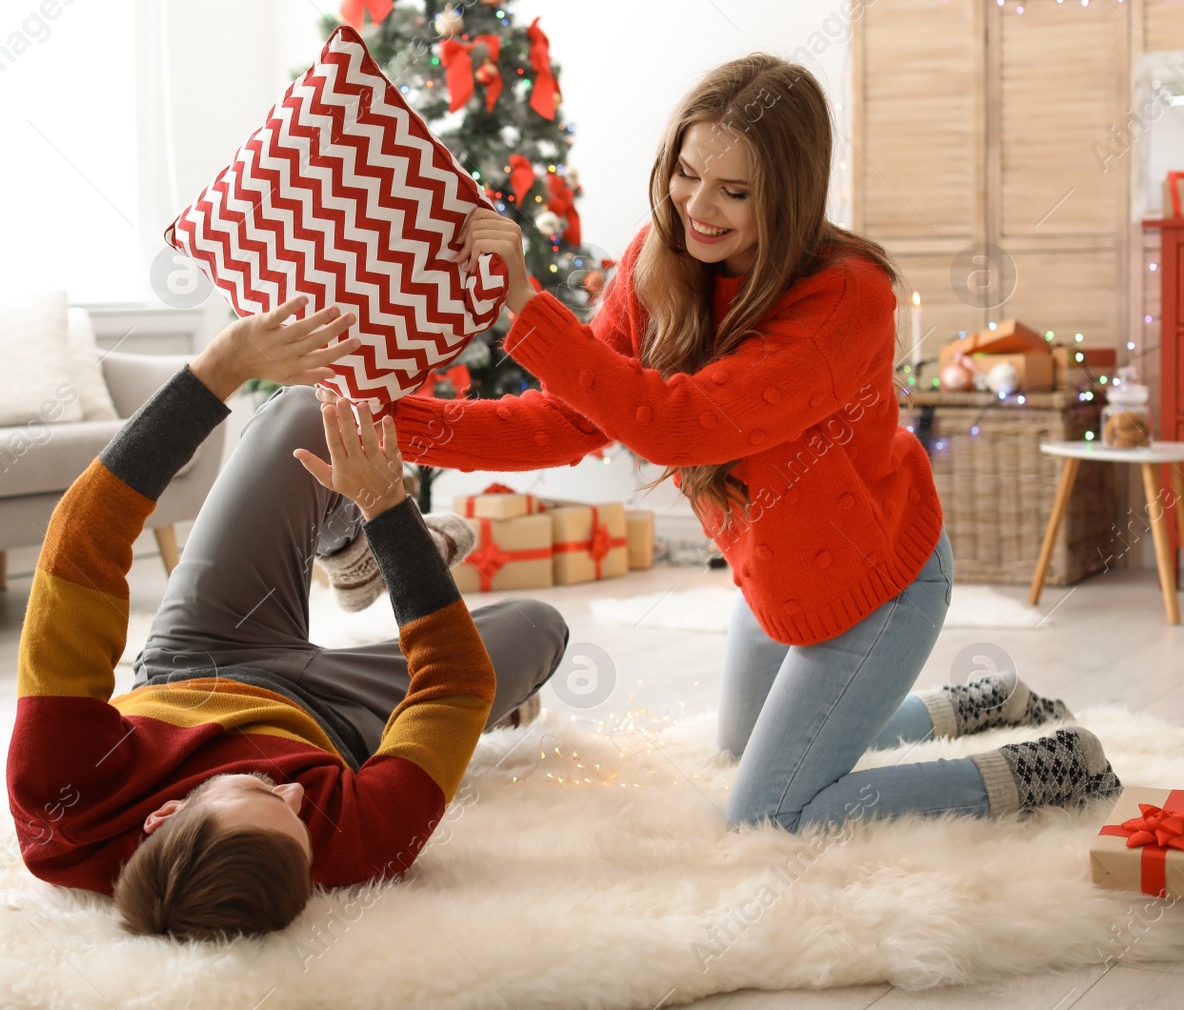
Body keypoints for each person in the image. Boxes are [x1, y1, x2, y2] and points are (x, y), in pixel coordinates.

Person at [393, 52, 1120, 834]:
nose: (697, 207)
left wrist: (526, 306)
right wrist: (395, 420)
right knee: (743, 744)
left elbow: (682, 421)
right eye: (687, 173)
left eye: (735, 191)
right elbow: (570, 418)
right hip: (778, 577)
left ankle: (1048, 765)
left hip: (880, 585)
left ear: (789, 193)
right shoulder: (657, 261)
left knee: (770, 815)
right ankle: (974, 704)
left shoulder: (848, 296)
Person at [5, 295, 567, 940]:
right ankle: (370, 545)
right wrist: (388, 510)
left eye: (262, 796)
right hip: (339, 719)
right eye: (300, 826)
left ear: (163, 815)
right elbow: (456, 686)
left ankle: (353, 556)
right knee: (537, 625)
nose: (297, 794)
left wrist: (220, 367)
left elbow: (79, 545)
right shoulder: (356, 844)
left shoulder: (59, 800)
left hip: (200, 658)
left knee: (305, 412)